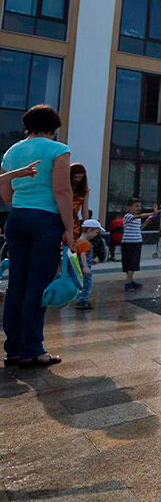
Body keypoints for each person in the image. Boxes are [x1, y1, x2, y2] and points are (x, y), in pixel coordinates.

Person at [0, 105, 74, 368]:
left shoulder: (12, 151)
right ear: (53, 128)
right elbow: (62, 191)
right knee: (36, 287)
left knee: (16, 287)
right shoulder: (57, 150)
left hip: (17, 218)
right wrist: (69, 227)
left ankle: (15, 350)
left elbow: (6, 195)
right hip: (45, 220)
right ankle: (33, 350)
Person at [121, 197, 157, 292]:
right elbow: (139, 216)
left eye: (140, 206)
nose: (138, 208)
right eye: (136, 206)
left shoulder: (137, 219)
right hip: (128, 244)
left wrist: (149, 219)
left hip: (137, 242)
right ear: (129, 207)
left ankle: (130, 280)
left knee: (134, 263)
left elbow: (140, 228)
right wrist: (151, 213)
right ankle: (128, 283)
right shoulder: (128, 216)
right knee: (130, 264)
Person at [74, 219, 105, 310]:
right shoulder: (85, 243)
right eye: (96, 232)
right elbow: (83, 255)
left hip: (80, 266)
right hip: (84, 267)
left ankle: (79, 298)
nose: (96, 235)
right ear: (90, 230)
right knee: (88, 283)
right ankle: (82, 300)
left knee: (81, 283)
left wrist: (90, 260)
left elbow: (80, 255)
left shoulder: (78, 241)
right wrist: (85, 266)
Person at [70, 163, 89, 245]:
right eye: (75, 177)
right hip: (62, 218)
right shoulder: (64, 187)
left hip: (74, 222)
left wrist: (87, 225)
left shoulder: (84, 190)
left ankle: (73, 258)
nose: (78, 180)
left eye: (80, 178)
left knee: (73, 248)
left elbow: (85, 210)